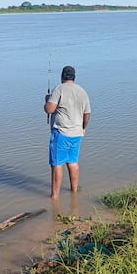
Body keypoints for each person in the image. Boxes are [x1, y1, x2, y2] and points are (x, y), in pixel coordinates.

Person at [45, 65, 91, 199]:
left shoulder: (59, 89)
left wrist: (46, 101)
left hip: (61, 133)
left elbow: (49, 109)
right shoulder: (82, 91)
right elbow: (87, 113)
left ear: (62, 77)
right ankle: (74, 192)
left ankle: (54, 197)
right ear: (74, 77)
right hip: (77, 133)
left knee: (57, 164)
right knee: (73, 162)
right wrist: (83, 128)